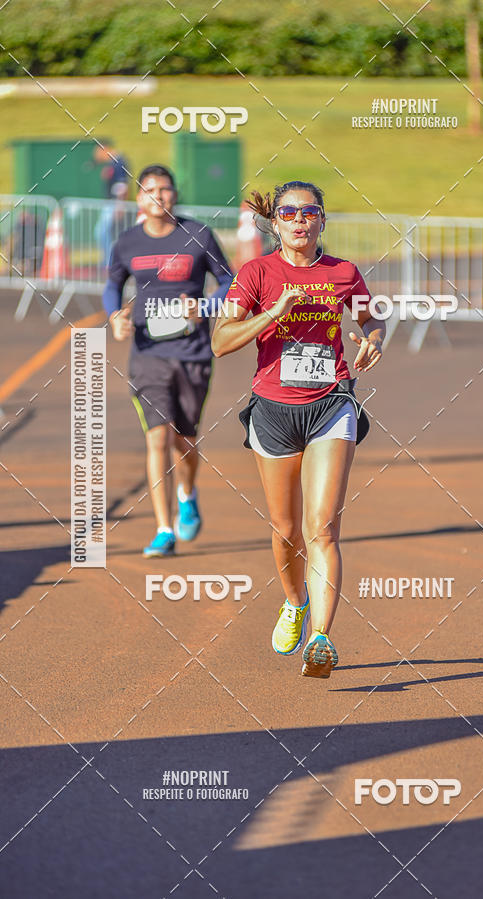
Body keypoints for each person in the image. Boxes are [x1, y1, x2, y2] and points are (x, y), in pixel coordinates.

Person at [211, 180, 384, 678]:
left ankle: (321, 639)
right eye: (289, 212)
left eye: (309, 211)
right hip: (273, 409)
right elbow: (222, 341)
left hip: (331, 403)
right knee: (286, 531)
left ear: (322, 219)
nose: (299, 220)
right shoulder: (257, 272)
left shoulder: (343, 273)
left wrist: (373, 339)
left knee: (322, 528)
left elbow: (372, 321)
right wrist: (272, 312)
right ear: (276, 222)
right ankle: (295, 601)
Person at [103, 164, 232, 557]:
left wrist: (205, 306)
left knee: (185, 440)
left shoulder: (198, 235)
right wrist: (115, 316)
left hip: (192, 352)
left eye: (166, 188)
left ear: (176, 194)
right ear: (139, 198)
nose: (159, 195)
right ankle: (163, 529)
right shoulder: (127, 242)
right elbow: (112, 284)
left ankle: (187, 493)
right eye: (150, 189)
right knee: (157, 437)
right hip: (148, 354)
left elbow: (229, 279)